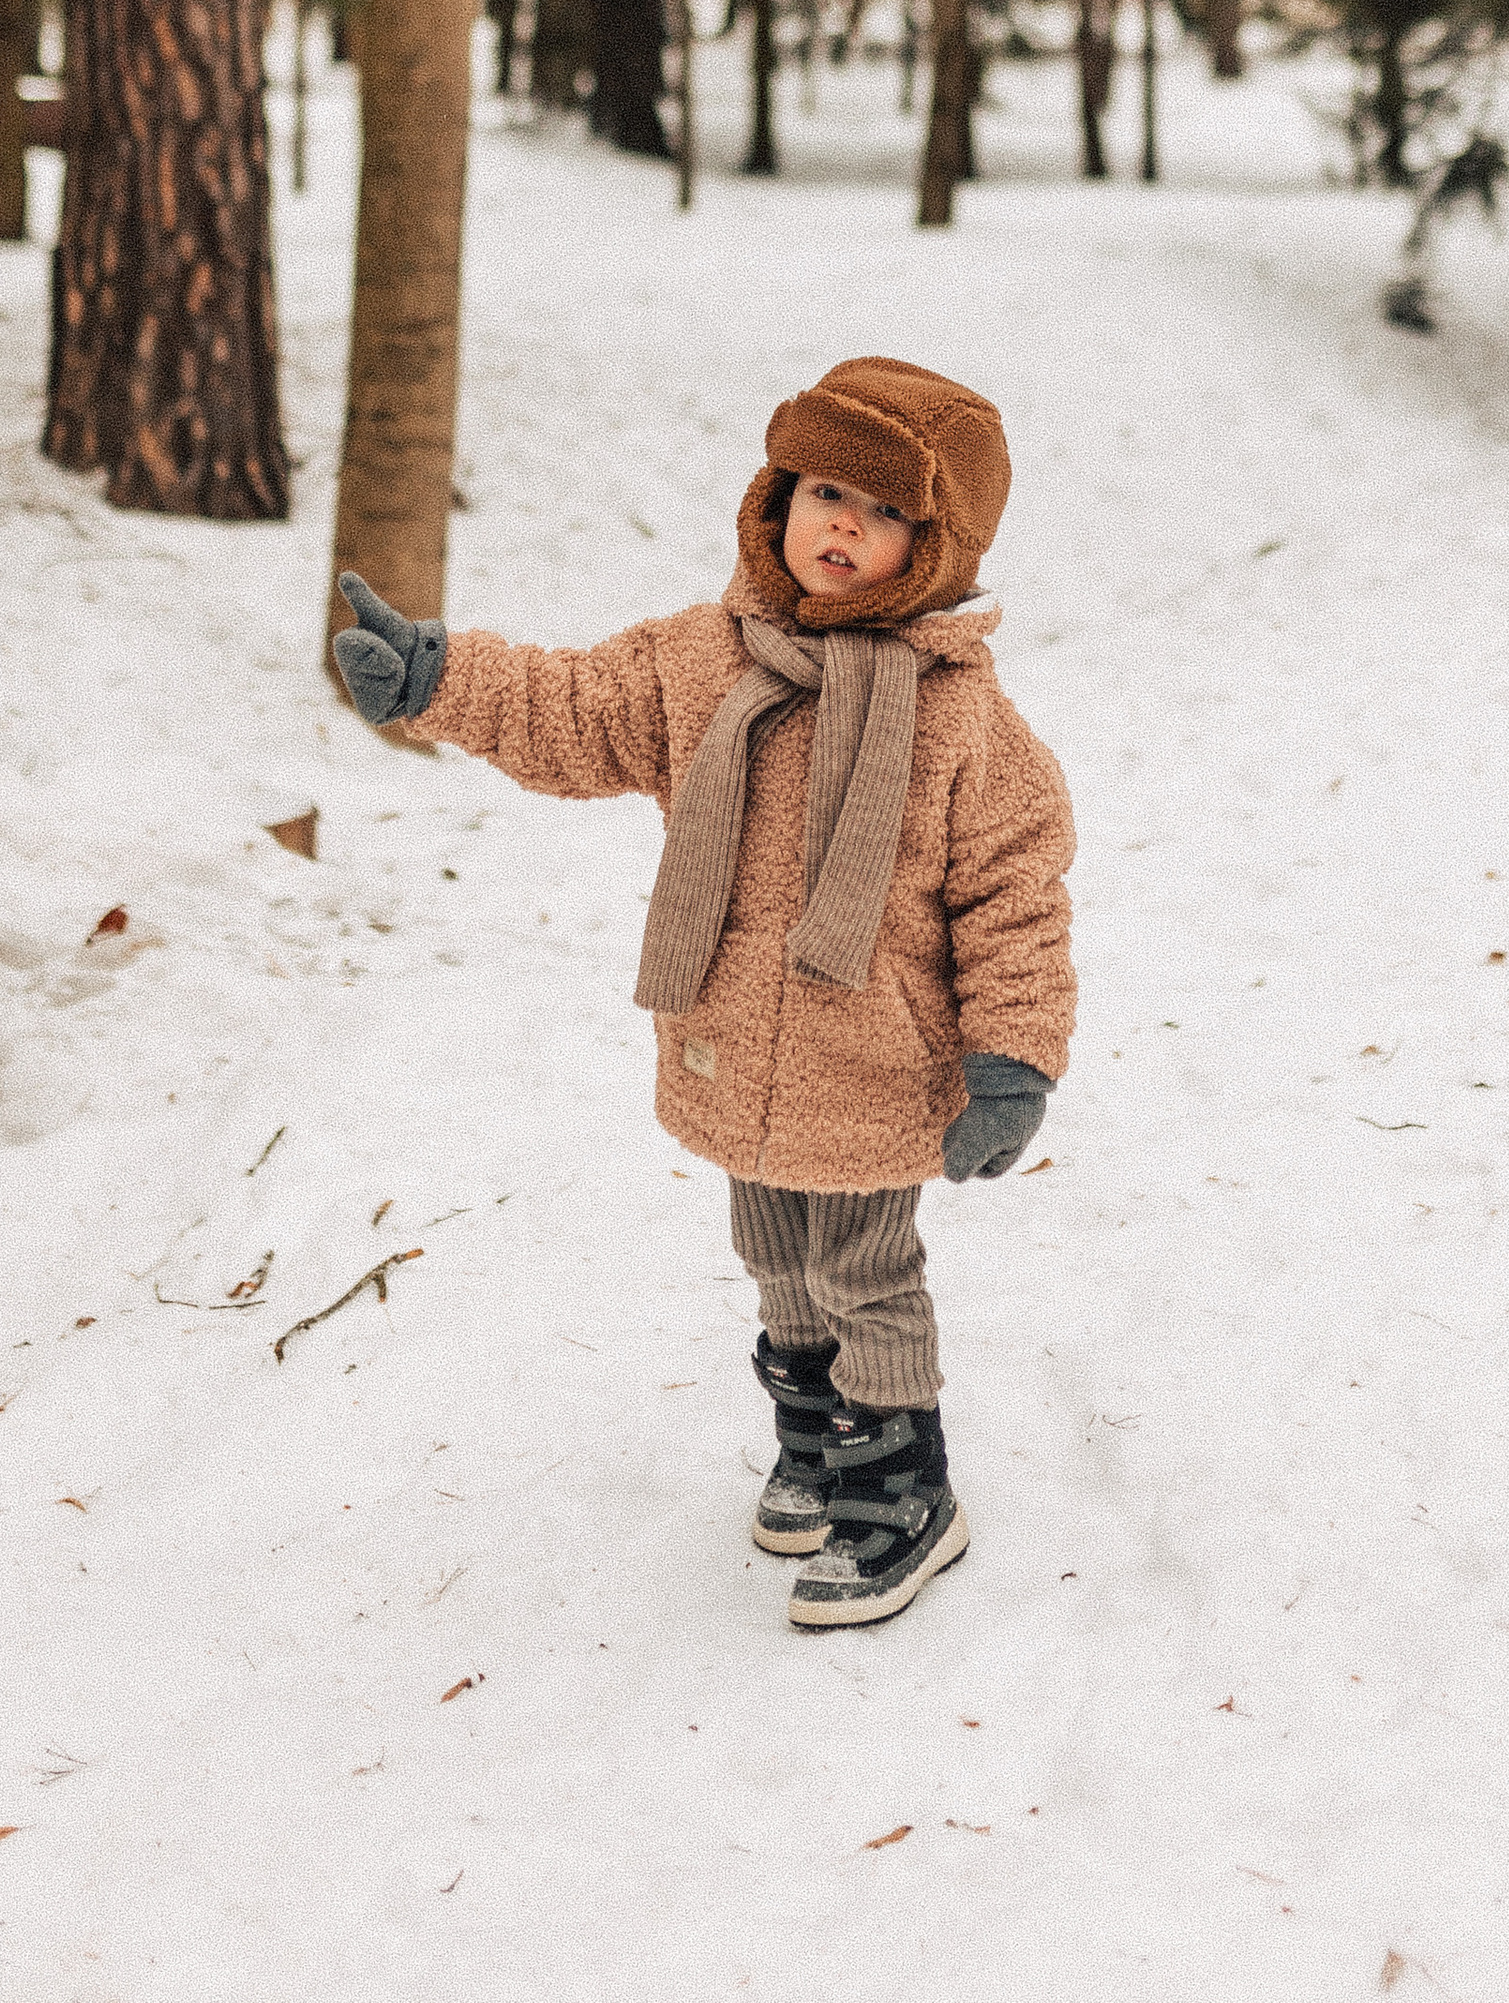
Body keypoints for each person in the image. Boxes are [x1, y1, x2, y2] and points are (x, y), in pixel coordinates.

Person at [331, 354, 1077, 1631]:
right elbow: (574, 707)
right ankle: (817, 1443)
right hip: (733, 1042)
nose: (844, 525)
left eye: (888, 511)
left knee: (864, 1268)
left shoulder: (961, 719)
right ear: (777, 492)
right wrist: (443, 680)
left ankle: (903, 1494)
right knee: (774, 1255)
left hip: (879, 1060)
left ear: (939, 546)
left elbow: (1015, 895)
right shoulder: (702, 657)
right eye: (827, 489)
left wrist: (1015, 1061)